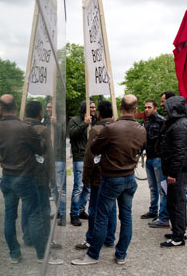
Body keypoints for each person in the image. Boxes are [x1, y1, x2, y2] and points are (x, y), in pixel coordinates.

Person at [71, 95, 146, 266]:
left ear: (121, 107)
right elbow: (140, 148)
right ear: (136, 108)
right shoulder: (141, 129)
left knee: (101, 216)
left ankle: (93, 255)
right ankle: (121, 254)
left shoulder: (111, 129)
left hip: (112, 178)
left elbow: (95, 148)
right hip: (129, 177)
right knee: (126, 216)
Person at [0, 94, 48, 263]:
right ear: (15, 106)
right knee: (34, 215)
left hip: (7, 177)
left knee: (10, 216)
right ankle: (41, 255)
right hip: (24, 177)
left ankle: (14, 254)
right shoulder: (24, 128)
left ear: (1, 108)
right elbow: (41, 149)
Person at [75, 100, 116, 250]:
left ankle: (91, 238)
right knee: (111, 209)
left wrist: (85, 178)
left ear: (99, 113)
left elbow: (89, 156)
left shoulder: (97, 130)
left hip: (99, 176)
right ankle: (109, 238)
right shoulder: (117, 127)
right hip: (114, 175)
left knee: (93, 209)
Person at [159, 96, 187, 248]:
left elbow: (179, 152)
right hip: (178, 168)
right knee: (175, 201)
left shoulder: (180, 125)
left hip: (178, 170)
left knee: (176, 202)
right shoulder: (178, 123)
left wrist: (172, 173)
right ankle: (178, 230)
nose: (164, 109)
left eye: (167, 107)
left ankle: (178, 236)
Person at [21, 101, 55, 248]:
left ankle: (27, 237)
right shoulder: (42, 129)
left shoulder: (20, 128)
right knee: (44, 208)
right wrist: (52, 177)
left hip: (23, 174)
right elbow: (48, 155)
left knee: (26, 207)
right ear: (39, 113)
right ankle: (46, 238)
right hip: (39, 175)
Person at [141, 100, 169, 229]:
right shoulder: (147, 122)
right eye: (145, 107)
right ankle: (153, 209)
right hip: (150, 157)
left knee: (161, 188)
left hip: (158, 158)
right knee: (152, 187)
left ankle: (163, 215)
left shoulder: (161, 121)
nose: (147, 109)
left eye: (149, 107)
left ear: (155, 108)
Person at [68, 101, 95, 226]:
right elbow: (72, 134)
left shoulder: (94, 121)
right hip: (79, 156)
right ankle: (73, 214)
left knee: (88, 186)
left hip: (91, 157)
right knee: (78, 186)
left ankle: (81, 210)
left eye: (94, 107)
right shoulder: (74, 120)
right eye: (91, 107)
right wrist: (85, 123)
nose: (94, 109)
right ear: (85, 108)